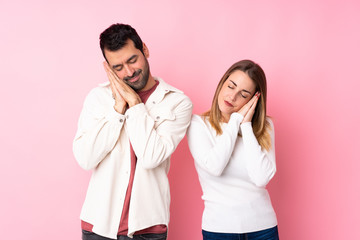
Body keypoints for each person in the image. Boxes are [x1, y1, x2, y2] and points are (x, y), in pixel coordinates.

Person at [73, 23, 193, 240]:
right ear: (108, 67)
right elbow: (85, 158)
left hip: (147, 229)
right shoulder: (98, 98)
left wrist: (135, 104)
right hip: (98, 225)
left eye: (132, 60)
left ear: (145, 50)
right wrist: (118, 108)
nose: (129, 72)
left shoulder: (177, 102)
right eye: (118, 67)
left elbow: (150, 157)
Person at [187, 60, 279, 240]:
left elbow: (261, 178)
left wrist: (246, 126)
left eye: (243, 94)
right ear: (222, 83)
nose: (232, 96)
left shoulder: (265, 127)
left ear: (254, 99)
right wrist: (235, 120)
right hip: (219, 229)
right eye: (231, 86)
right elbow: (215, 167)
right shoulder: (198, 125)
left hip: (264, 228)